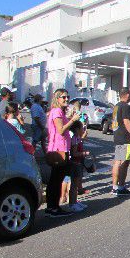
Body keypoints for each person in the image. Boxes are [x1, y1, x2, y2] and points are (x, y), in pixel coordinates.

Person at [45, 88, 80, 218]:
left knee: (56, 179)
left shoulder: (59, 111)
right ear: (57, 98)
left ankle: (53, 207)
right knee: (56, 179)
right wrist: (72, 120)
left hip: (61, 149)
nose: (66, 99)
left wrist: (69, 118)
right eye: (63, 97)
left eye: (67, 96)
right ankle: (53, 207)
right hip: (58, 150)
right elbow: (60, 130)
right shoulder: (57, 111)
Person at [111, 88, 130, 196]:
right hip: (125, 138)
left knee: (117, 162)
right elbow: (127, 122)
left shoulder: (117, 106)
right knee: (124, 162)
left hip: (118, 137)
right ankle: (121, 187)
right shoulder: (125, 106)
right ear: (127, 95)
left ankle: (114, 187)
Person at [68, 120, 89, 210]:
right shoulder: (74, 139)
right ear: (77, 129)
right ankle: (72, 204)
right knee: (73, 185)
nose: (83, 130)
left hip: (78, 163)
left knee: (76, 184)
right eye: (82, 128)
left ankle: (75, 201)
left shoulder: (78, 138)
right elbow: (74, 153)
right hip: (75, 163)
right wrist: (84, 153)